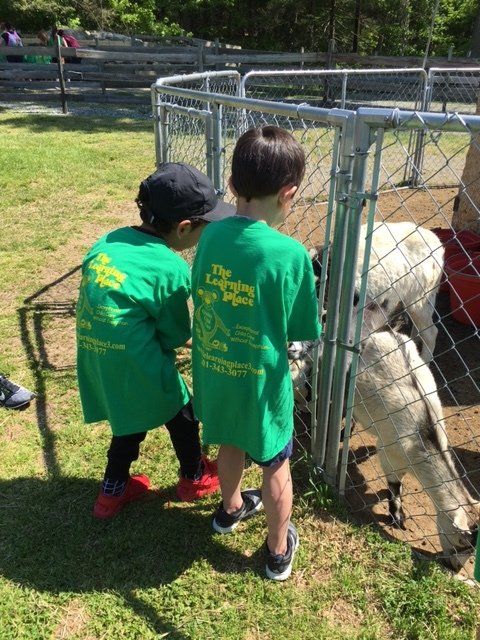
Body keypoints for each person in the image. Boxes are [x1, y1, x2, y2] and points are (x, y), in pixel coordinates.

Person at [191, 125, 322, 581]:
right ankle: (277, 549)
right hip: (263, 383)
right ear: (289, 193)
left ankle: (228, 510)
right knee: (275, 461)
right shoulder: (290, 255)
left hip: (215, 370)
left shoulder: (209, 237)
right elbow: (303, 327)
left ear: (232, 186)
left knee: (230, 439)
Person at [76, 163, 235, 519]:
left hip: (96, 352)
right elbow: (175, 334)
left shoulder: (109, 241)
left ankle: (111, 493)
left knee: (129, 420)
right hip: (135, 356)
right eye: (204, 224)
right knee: (181, 410)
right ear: (183, 229)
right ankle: (194, 476)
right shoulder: (170, 268)